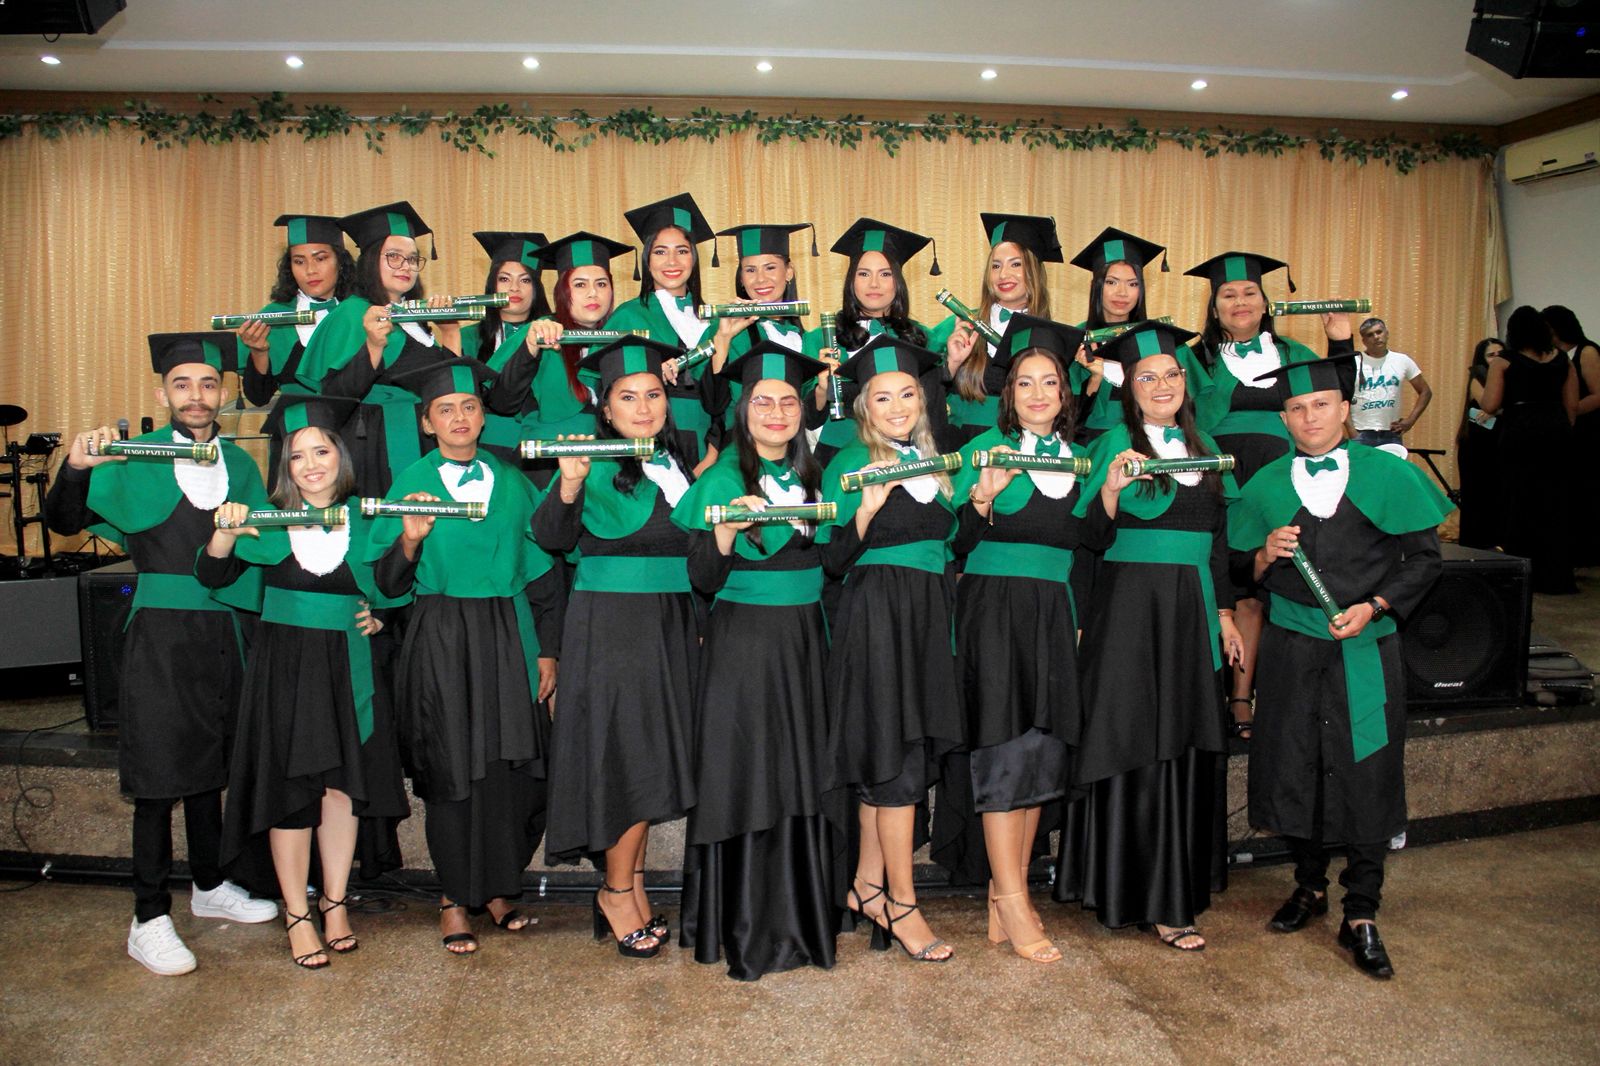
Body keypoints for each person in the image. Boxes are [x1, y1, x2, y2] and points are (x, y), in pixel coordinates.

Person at [45, 332, 278, 976]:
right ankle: (148, 917)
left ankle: (208, 886)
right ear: (162, 394)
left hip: (226, 629)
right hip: (161, 633)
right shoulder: (138, 457)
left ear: (224, 393)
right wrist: (75, 468)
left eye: (208, 384)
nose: (197, 396)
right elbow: (64, 520)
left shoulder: (245, 466)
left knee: (211, 762)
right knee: (156, 774)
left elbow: (254, 553)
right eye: (183, 385)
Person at [1228, 352, 1451, 979]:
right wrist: (1263, 558)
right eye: (1296, 409)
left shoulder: (1386, 473)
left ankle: (1363, 909)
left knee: (1367, 771)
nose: (1309, 417)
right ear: (1284, 419)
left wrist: (1377, 606)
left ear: (1345, 409)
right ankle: (1308, 885)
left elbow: (1424, 561)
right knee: (1295, 764)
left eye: (1321, 405)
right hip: (1294, 648)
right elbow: (1235, 569)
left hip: (1364, 648)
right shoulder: (1267, 484)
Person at [197, 395, 410, 969]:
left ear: (342, 456)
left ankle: (336, 904)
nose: (311, 464)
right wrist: (223, 532)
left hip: (350, 668)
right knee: (293, 794)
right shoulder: (263, 516)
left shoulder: (369, 516)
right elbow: (213, 573)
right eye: (297, 456)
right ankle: (297, 913)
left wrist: (383, 615)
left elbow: (396, 585)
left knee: (342, 790)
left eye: (322, 450)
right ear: (283, 467)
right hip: (286, 671)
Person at [1053, 321, 1243, 953]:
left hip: (1193, 615)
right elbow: (1089, 542)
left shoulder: (1207, 443)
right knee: (1136, 740)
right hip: (1130, 613)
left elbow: (1217, 544)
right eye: (1146, 377)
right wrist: (1108, 491)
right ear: (1128, 390)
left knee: (1184, 742)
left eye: (1170, 374)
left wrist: (1222, 614)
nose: (1161, 385)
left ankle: (1176, 886)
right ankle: (1135, 892)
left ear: (1184, 384)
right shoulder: (1112, 444)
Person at [365, 360, 561, 954]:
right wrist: (410, 538)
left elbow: (544, 575)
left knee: (510, 771)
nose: (458, 417)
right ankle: (454, 897)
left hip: (509, 630)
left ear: (483, 414)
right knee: (452, 768)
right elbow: (387, 584)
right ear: (427, 423)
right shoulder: (409, 482)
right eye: (444, 409)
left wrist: (547, 651)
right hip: (442, 631)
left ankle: (500, 887)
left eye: (469, 406)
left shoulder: (510, 480)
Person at [671, 343, 841, 981]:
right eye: (763, 402)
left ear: (803, 411)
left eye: (789, 401)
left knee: (797, 775)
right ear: (743, 411)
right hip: (744, 645)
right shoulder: (721, 480)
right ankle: (750, 927)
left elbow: (834, 560)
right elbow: (702, 577)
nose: (776, 412)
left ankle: (798, 919)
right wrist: (721, 531)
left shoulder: (817, 473)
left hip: (803, 642)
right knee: (748, 778)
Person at [533, 337, 700, 959]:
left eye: (653, 394)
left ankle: (625, 886)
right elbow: (551, 537)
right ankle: (614, 890)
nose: (644, 406)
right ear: (605, 408)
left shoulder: (677, 461)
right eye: (628, 397)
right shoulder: (589, 460)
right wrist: (570, 486)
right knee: (625, 760)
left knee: (647, 760)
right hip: (613, 628)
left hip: (670, 624)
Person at [934, 314, 1091, 964]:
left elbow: (1090, 547)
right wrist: (980, 504)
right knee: (1001, 756)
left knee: (1039, 756)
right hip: (994, 612)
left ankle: (1010, 893)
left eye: (1047, 382)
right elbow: (951, 542)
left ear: (1063, 393)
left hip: (1055, 614)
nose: (1035, 393)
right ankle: (1015, 898)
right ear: (1008, 394)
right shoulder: (984, 452)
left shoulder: (1082, 460)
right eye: (1024, 382)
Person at [817, 335, 963, 963]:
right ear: (863, 407)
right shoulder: (847, 462)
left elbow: (951, 546)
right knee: (896, 760)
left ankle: (867, 886)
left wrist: (978, 504)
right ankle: (903, 904)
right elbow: (829, 558)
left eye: (907, 393)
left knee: (893, 758)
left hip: (929, 617)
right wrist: (863, 514)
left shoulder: (936, 462)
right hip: (877, 617)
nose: (898, 405)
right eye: (883, 396)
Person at [1184, 251, 1354, 739]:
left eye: (1249, 293)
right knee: (1218, 586)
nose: (1240, 301)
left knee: (1257, 592)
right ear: (1214, 307)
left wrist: (1339, 337)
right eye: (1228, 294)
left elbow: (1338, 390)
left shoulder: (1293, 353)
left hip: (1279, 485)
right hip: (1215, 482)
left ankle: (1242, 695)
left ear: (1265, 301)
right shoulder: (1194, 358)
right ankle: (1201, 690)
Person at [296, 201, 464, 497]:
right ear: (372, 260)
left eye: (413, 259)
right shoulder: (353, 313)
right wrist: (373, 346)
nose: (406, 266)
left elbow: (445, 385)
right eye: (394, 257)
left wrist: (450, 330)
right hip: (375, 445)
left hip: (423, 440)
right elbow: (335, 396)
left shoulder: (415, 318)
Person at [488, 230, 633, 482]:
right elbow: (501, 401)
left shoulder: (622, 337)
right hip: (546, 465)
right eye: (579, 284)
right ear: (562, 291)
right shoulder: (542, 331)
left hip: (606, 467)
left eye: (601, 283)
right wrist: (530, 349)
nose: (592, 294)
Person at [233, 214, 357, 490]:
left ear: (340, 261)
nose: (310, 270)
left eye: (321, 258)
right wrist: (260, 351)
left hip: (350, 436)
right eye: (299, 261)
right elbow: (258, 396)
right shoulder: (272, 317)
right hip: (293, 440)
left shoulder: (358, 314)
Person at [803, 217, 939, 469]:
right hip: (839, 455)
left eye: (885, 274)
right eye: (863, 274)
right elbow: (808, 418)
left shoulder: (920, 338)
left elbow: (932, 409)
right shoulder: (821, 338)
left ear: (897, 281)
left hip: (906, 455)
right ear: (850, 280)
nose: (873, 284)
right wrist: (822, 390)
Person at [607, 193, 719, 466]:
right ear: (647, 259)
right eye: (660, 251)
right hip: (650, 444)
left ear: (693, 258)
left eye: (682, 251)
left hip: (709, 443)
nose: (672, 262)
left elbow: (728, 397)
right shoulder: (628, 315)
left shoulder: (714, 318)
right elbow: (605, 393)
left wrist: (715, 452)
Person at [931, 213, 1061, 445]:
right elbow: (922, 396)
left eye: (1016, 264)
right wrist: (952, 364)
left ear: (1033, 271)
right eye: (996, 266)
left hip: (1024, 447)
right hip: (964, 447)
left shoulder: (1051, 337)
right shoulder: (960, 327)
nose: (1003, 275)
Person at [1482, 305, 1580, 593]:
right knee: (1556, 504)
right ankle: (1557, 576)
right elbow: (1571, 405)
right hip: (1556, 430)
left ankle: (1520, 576)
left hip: (1520, 432)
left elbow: (1489, 404)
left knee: (1518, 502)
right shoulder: (1562, 359)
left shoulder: (1504, 361)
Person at [1066, 226, 1182, 443]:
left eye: (1133, 284)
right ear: (1097, 287)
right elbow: (1064, 418)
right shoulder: (1076, 341)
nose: (1122, 293)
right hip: (1092, 446)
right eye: (1111, 282)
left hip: (1150, 443)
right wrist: (1094, 379)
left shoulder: (1156, 340)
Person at [701, 223, 816, 441]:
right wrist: (723, 339)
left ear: (788, 272)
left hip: (796, 447)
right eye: (750, 270)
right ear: (742, 278)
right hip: (744, 446)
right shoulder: (726, 329)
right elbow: (714, 404)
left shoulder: (804, 338)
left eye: (770, 267)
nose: (760, 279)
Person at [459, 229, 561, 459]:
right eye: (504, 279)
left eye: (525, 280)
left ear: (537, 288)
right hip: (485, 448)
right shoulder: (468, 338)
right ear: (492, 285)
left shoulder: (553, 332)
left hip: (541, 446)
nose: (514, 288)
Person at [1543, 305, 1600, 567]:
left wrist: (1571, 411)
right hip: (1563, 430)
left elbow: (1598, 394)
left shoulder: (1587, 351)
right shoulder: (1554, 356)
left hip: (1586, 431)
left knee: (1585, 489)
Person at [1348, 317, 1432, 451]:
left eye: (1379, 332)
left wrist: (1410, 421)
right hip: (1361, 432)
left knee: (1391, 472)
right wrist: (1352, 431)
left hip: (1391, 433)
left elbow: (1425, 392)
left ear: (1387, 333)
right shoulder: (1353, 362)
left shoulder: (1402, 360)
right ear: (1364, 341)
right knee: (1363, 472)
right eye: (1370, 335)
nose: (1376, 337)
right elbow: (1341, 397)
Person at [1455, 337, 1503, 550]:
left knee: (1496, 493)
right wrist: (1497, 409)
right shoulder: (1478, 375)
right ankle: (1474, 544)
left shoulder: (1509, 376)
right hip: (1476, 442)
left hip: (1498, 441)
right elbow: (1487, 404)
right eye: (1491, 355)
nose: (1496, 359)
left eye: (1500, 354)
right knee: (1476, 493)